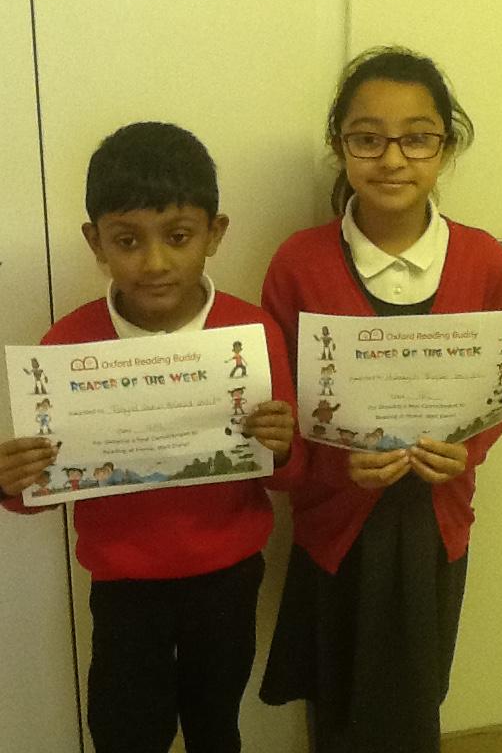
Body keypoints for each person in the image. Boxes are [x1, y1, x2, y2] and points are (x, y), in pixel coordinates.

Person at [0, 121, 304, 753]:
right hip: (124, 586)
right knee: (125, 731)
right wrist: (11, 480)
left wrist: (281, 444)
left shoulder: (250, 334)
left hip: (227, 577)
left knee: (215, 725)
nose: (156, 262)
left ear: (215, 233)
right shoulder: (68, 346)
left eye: (179, 236)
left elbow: (288, 472)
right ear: (97, 242)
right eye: (128, 240)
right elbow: (44, 486)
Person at [259, 47, 502, 753]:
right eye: (368, 138)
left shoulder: (483, 261)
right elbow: (281, 409)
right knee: (336, 693)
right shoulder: (299, 262)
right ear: (340, 145)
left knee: (415, 695)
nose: (393, 159)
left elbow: (496, 394)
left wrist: (466, 451)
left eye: (418, 138)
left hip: (433, 521)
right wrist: (335, 466)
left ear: (446, 146)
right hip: (337, 522)